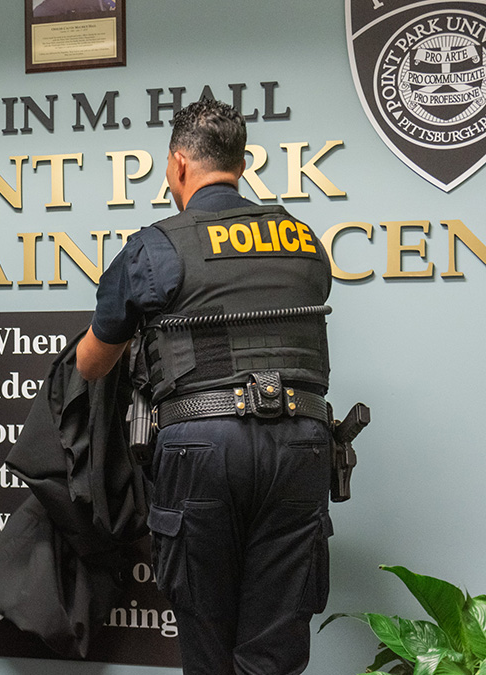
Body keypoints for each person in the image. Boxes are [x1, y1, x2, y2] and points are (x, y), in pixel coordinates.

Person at [74, 99, 334, 675]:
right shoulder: (302, 241)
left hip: (203, 446)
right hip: (302, 442)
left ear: (177, 165)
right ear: (241, 165)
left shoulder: (156, 246)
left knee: (207, 635)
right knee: (275, 642)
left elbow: (91, 363)